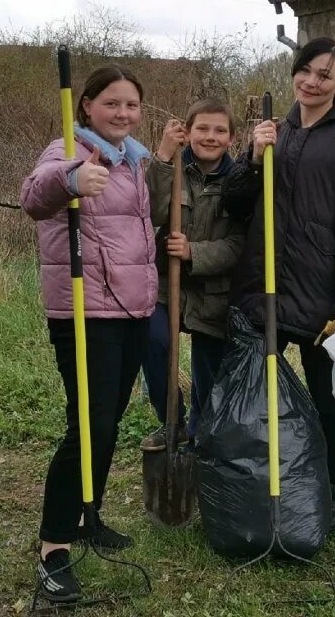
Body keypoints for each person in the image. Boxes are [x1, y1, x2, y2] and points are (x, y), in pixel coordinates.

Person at [223, 36, 335, 530]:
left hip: (319, 295)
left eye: (324, 75)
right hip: (264, 286)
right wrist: (251, 154)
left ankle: (329, 489)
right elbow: (236, 203)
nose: (312, 82)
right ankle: (253, 477)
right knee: (252, 391)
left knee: (327, 397)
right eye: (305, 71)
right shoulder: (276, 132)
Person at [20, 65, 157, 604]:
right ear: (86, 107)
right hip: (85, 312)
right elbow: (34, 197)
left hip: (132, 309)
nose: (123, 113)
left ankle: (86, 513)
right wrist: (72, 179)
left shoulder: (135, 161)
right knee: (88, 426)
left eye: (131, 105)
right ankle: (54, 549)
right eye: (112, 104)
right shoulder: (67, 148)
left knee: (108, 421)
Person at [140, 99, 245, 451]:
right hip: (165, 289)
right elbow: (149, 213)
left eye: (219, 130)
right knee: (153, 343)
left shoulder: (239, 181)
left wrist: (193, 252)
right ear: (188, 131)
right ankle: (173, 422)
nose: (210, 137)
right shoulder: (172, 169)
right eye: (202, 128)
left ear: (232, 138)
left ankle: (199, 440)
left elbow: (239, 244)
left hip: (213, 294)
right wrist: (163, 158)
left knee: (209, 375)